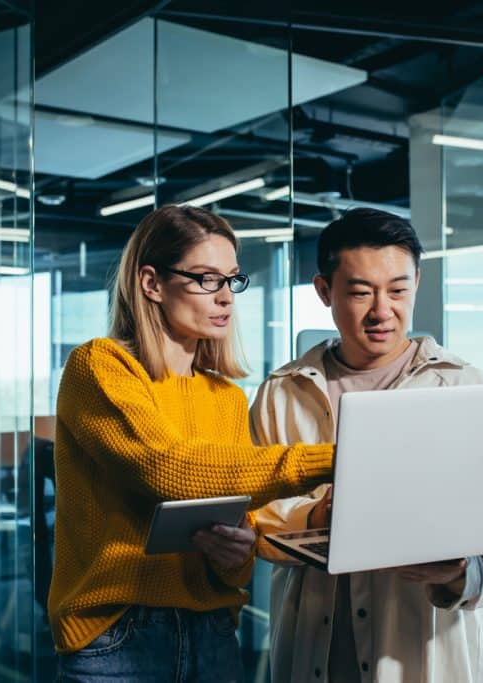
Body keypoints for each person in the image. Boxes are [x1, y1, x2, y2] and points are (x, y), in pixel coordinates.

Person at [48, 204, 334, 683]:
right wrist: (332, 460)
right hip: (117, 636)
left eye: (232, 280)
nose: (226, 297)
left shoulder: (224, 397)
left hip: (212, 635)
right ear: (151, 283)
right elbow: (166, 470)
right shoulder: (100, 367)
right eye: (206, 279)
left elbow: (237, 531)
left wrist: (236, 553)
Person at [251, 208, 483, 683]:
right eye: (360, 292)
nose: (382, 311)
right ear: (324, 291)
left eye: (398, 290)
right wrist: (318, 518)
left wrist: (458, 574)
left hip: (425, 646)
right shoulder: (282, 392)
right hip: (316, 643)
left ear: (417, 282)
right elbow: (254, 512)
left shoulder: (464, 385)